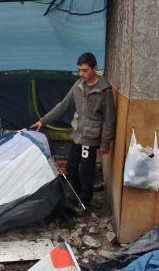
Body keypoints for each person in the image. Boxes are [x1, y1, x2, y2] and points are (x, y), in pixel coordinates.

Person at [30, 52, 115, 210]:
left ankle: (85, 201)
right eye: (79, 70)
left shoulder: (104, 91)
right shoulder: (78, 85)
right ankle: (77, 193)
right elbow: (63, 106)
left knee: (86, 171)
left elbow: (110, 119)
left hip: (91, 136)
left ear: (95, 68)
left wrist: (105, 142)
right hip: (77, 134)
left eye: (85, 70)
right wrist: (43, 121)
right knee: (70, 167)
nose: (81, 74)